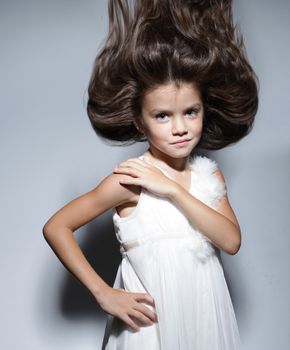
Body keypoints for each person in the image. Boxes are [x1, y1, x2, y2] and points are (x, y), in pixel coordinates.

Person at [43, 0, 258, 349]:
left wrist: (173, 190)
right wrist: (104, 293)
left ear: (205, 110)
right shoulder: (131, 180)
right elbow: (56, 226)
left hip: (204, 321)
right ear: (139, 122)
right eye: (162, 116)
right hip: (149, 330)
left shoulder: (208, 176)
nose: (180, 128)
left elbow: (231, 241)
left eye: (191, 112)